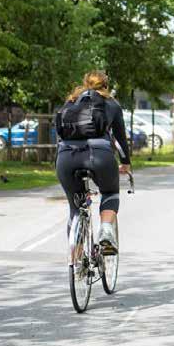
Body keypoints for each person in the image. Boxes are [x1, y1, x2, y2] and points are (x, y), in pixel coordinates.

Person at [55, 71, 131, 255]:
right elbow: (120, 139)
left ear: (85, 83)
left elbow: (59, 132)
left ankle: (76, 259)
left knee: (75, 207)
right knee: (110, 193)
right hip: (100, 155)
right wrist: (126, 163)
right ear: (106, 86)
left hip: (66, 157)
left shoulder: (71, 102)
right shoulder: (112, 104)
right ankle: (105, 233)